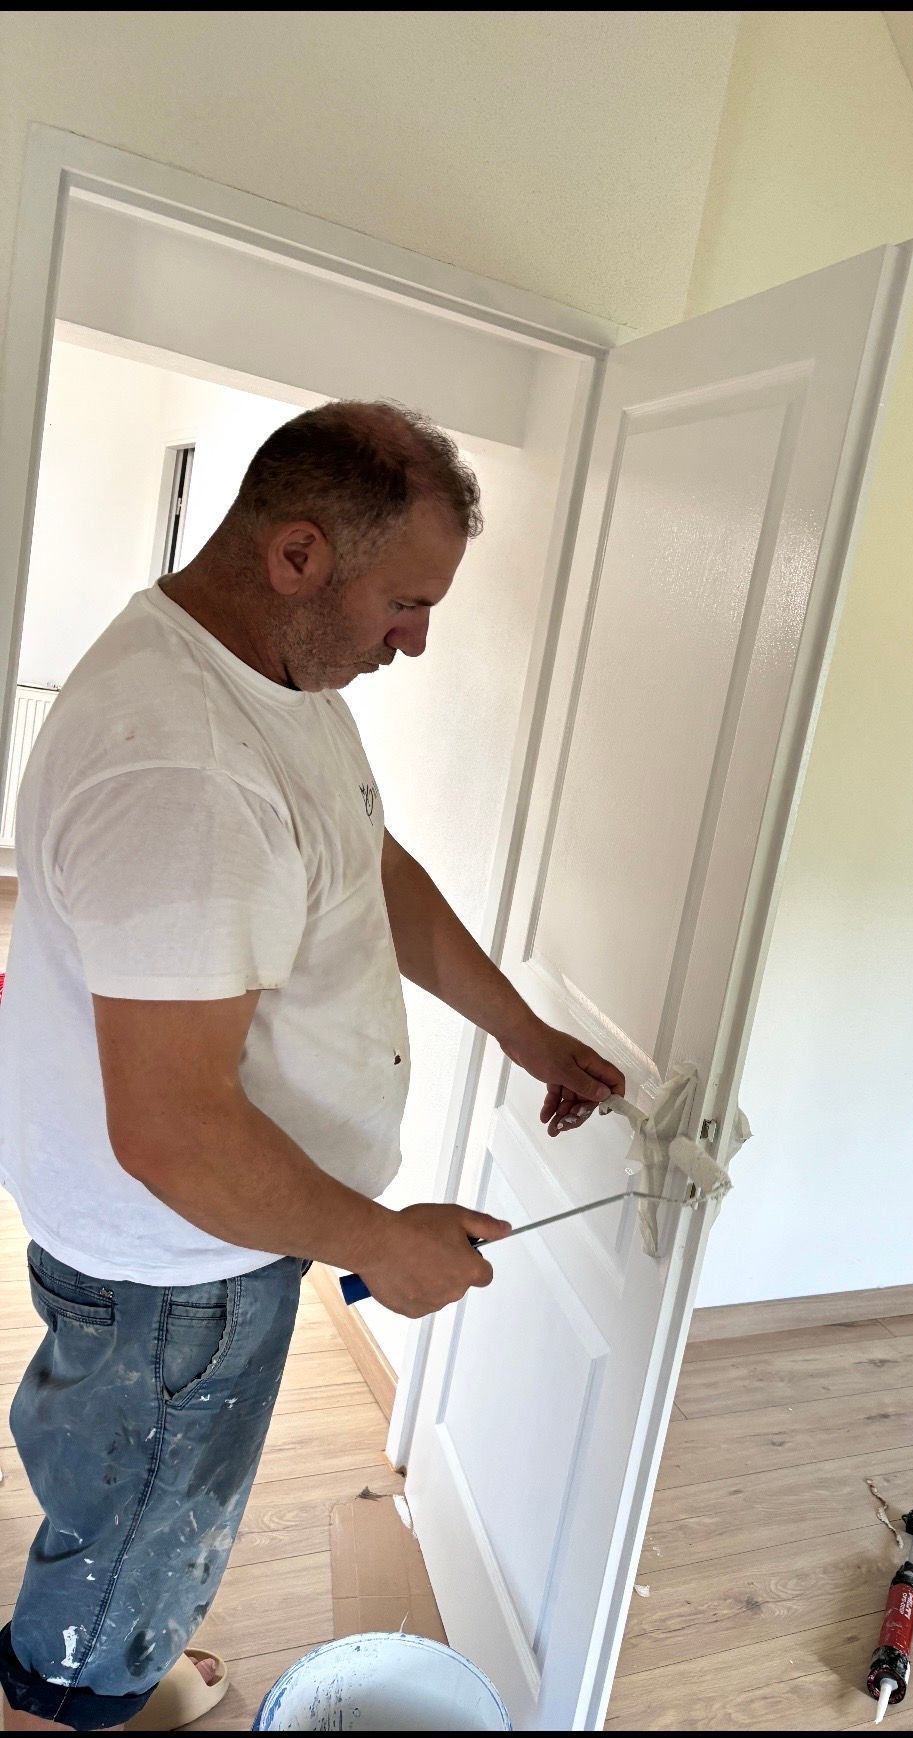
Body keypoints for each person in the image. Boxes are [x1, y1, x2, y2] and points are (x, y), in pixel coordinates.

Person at [0, 401, 625, 1732]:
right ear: (297, 557)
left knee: (128, 1492)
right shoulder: (185, 765)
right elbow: (172, 1129)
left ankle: (116, 1645)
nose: (418, 638)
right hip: (178, 1264)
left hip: (203, 1245)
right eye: (405, 600)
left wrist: (519, 1028)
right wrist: (378, 1241)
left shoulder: (270, 679)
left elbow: (365, 866)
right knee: (139, 1528)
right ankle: (77, 1688)